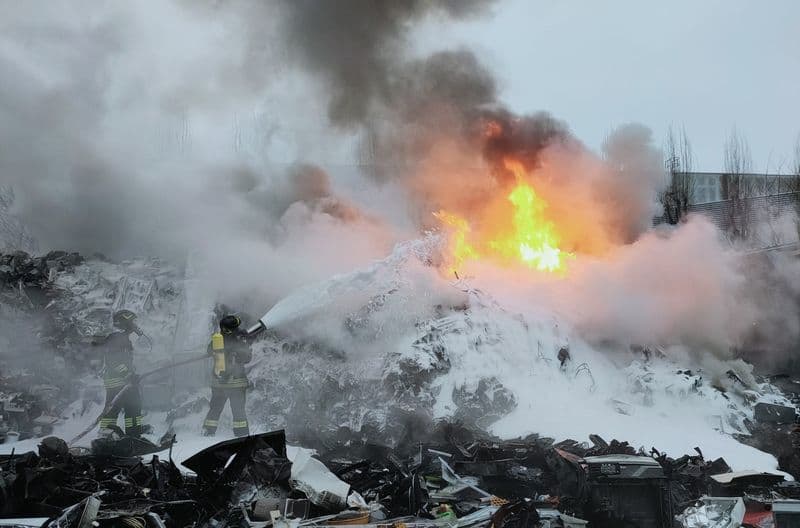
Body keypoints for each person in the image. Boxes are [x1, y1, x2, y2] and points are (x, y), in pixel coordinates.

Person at [96, 309, 144, 438]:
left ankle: (128, 437)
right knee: (123, 409)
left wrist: (132, 373)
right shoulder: (117, 337)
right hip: (119, 382)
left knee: (129, 409)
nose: (135, 325)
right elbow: (113, 360)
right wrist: (128, 374)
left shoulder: (122, 338)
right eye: (132, 321)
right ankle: (112, 437)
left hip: (123, 381)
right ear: (125, 321)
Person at [202, 314, 252, 437]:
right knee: (238, 411)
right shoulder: (240, 340)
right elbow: (247, 358)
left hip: (218, 383)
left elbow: (209, 350)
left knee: (215, 408)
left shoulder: (217, 339)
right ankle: (242, 435)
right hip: (236, 383)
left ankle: (208, 432)